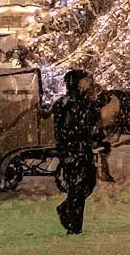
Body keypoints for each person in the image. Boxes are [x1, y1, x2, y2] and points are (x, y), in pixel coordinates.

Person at [53, 70, 105, 235]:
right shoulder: (66, 103)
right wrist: (67, 152)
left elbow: (93, 125)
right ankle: (74, 227)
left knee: (88, 185)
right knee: (78, 188)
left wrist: (99, 141)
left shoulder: (85, 102)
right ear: (76, 82)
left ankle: (66, 210)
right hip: (74, 151)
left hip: (84, 150)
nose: (88, 82)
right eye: (85, 79)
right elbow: (61, 131)